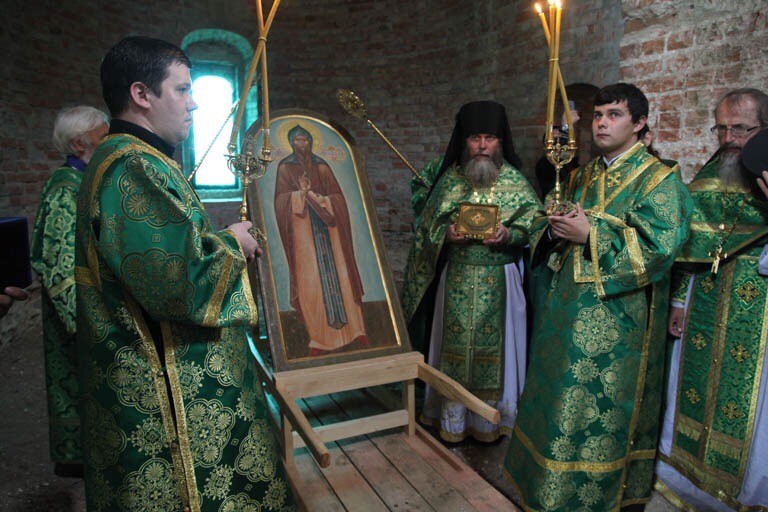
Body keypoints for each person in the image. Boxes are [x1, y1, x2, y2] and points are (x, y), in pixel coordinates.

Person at [74, 36, 294, 511]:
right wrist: (233, 242)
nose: (193, 103)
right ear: (141, 94)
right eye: (182, 89)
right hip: (162, 386)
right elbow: (176, 284)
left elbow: (162, 252)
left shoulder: (134, 158)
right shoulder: (132, 166)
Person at [504, 83, 693, 511]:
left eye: (614, 115)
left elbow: (660, 248)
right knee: (558, 402)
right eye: (598, 115)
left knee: (598, 410)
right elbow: (544, 224)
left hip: (620, 323)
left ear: (639, 123)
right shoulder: (580, 175)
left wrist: (591, 233)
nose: (602, 123)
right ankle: (547, 487)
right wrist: (551, 228)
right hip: (564, 315)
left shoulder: (660, 180)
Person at [401, 100, 541, 442]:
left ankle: (494, 421)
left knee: (499, 354)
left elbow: (536, 226)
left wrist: (510, 235)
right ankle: (451, 420)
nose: (482, 146)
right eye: (475, 138)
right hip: (457, 279)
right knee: (452, 350)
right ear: (464, 141)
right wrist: (445, 235)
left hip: (501, 280)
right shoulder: (449, 180)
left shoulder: (515, 181)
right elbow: (426, 229)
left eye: (489, 138)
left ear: (500, 142)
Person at [655, 88, 768, 511]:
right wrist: (678, 301)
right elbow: (689, 246)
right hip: (703, 303)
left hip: (758, 312)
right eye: (721, 128)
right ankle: (686, 477)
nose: (729, 139)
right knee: (691, 389)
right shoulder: (708, 176)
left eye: (741, 128)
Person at [30, 105, 108, 477]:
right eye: (102, 136)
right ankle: (79, 463)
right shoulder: (65, 189)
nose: (108, 141)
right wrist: (88, 324)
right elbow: (57, 264)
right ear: (80, 144)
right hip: (78, 316)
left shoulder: (83, 182)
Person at [274, 124, 367, 357]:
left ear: (311, 142)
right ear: (291, 143)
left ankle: (356, 332)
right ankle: (319, 339)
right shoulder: (285, 168)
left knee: (343, 279)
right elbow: (280, 202)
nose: (301, 145)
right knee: (311, 283)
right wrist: (301, 195)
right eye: (297, 140)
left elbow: (338, 198)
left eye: (305, 140)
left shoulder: (322, 167)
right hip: (304, 235)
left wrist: (321, 200)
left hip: (331, 236)